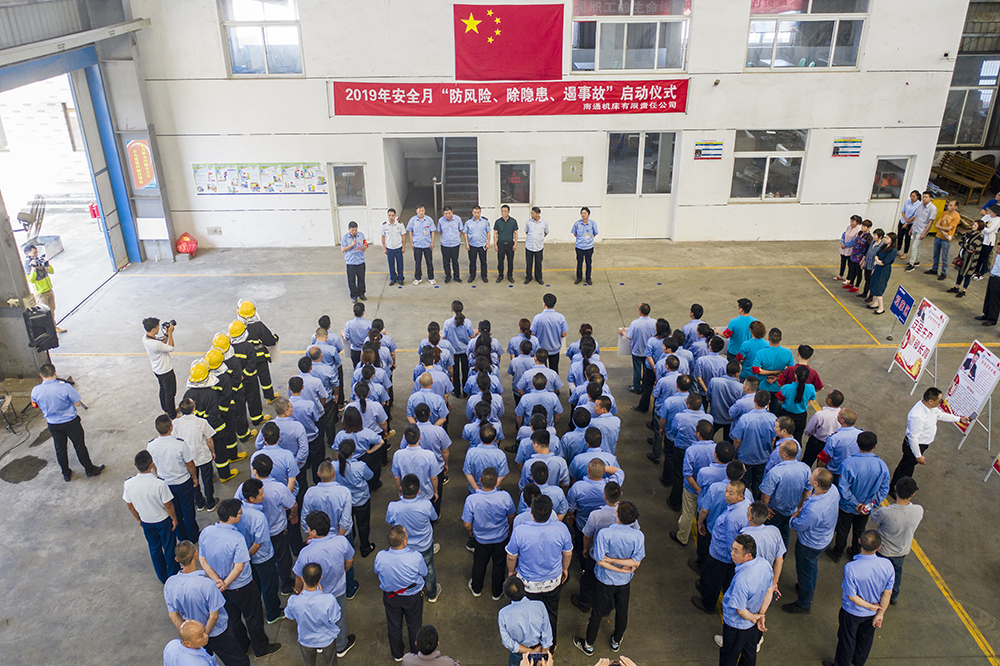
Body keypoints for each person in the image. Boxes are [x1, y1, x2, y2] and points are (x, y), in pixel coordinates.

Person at [198, 499, 281, 659]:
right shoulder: (236, 538)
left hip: (220, 588)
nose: (241, 515)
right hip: (242, 586)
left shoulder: (206, 532)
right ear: (231, 517)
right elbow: (238, 567)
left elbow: (203, 560)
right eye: (239, 513)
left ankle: (243, 644)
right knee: (253, 617)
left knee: (233, 618)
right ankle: (261, 647)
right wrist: (226, 583)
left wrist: (218, 581)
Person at [573, 500, 644, 656]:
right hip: (624, 581)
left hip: (604, 579)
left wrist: (611, 561)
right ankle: (616, 642)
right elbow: (636, 562)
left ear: (617, 515)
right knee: (622, 611)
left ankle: (589, 645)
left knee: (596, 613)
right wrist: (623, 569)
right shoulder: (638, 536)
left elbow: (600, 560)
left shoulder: (605, 534)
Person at [164, 541, 250, 666]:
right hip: (217, 631)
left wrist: (191, 635)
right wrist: (204, 634)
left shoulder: (170, 584)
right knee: (237, 660)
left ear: (177, 559)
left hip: (193, 636)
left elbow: (173, 614)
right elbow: (214, 616)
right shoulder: (207, 585)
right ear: (196, 554)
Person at [506, 494, 573, 646]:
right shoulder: (561, 529)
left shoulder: (520, 531)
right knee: (551, 613)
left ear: (531, 511)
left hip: (528, 584)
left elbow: (511, 556)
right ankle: (550, 645)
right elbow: (568, 553)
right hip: (553, 582)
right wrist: (565, 569)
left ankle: (532, 645)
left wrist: (511, 572)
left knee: (529, 614)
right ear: (551, 512)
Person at [821, 531, 894, 666]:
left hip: (852, 612)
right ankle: (858, 662)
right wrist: (880, 613)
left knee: (847, 640)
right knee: (865, 640)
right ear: (879, 547)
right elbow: (887, 593)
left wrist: (869, 606)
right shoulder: (887, 565)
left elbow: (852, 596)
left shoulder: (851, 567)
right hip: (872, 614)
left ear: (859, 541)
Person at [292, 511, 356, 658]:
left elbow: (299, 576)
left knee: (317, 618)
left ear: (314, 532)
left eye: (309, 528)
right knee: (338, 618)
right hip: (338, 589)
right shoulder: (341, 542)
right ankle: (341, 645)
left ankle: (320, 644)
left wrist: (297, 591)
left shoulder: (306, 552)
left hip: (316, 594)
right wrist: (342, 571)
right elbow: (349, 560)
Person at [781, 468, 840, 615]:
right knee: (811, 566)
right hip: (823, 539)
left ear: (816, 483)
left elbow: (801, 525)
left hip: (810, 544)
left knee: (804, 572)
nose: (810, 474)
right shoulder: (832, 490)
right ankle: (808, 588)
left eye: (812, 474)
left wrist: (792, 519)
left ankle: (804, 603)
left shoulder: (815, 510)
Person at [31, 363, 104, 482]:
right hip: (71, 422)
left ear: (41, 375)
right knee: (79, 446)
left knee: (60, 449)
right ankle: (90, 469)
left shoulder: (36, 390)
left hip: (53, 424)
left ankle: (66, 473)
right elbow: (77, 403)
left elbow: (35, 405)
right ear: (55, 372)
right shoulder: (65, 387)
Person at [827, 432, 890, 563]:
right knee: (859, 529)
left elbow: (843, 487)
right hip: (865, 509)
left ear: (857, 443)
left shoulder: (848, 464)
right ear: (875, 446)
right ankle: (855, 551)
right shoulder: (881, 466)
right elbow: (884, 489)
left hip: (846, 506)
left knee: (842, 529)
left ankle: (838, 552)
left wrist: (855, 503)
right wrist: (869, 504)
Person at [891, 387, 968, 493]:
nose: (941, 403)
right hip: (914, 446)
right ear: (931, 401)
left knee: (909, 467)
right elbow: (913, 438)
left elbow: (941, 415)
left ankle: (906, 484)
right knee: (904, 467)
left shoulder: (931, 408)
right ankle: (894, 488)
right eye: (939, 401)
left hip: (922, 444)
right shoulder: (918, 416)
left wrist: (959, 419)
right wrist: (918, 455)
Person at [692, 479, 752, 614]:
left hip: (722, 555)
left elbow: (732, 543)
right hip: (721, 552)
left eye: (731, 493)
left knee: (715, 580)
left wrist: (730, 557)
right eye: (726, 491)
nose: (726, 495)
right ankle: (704, 588)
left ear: (740, 495)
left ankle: (708, 604)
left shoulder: (733, 518)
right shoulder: (745, 504)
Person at [715, 534, 774, 666]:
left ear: (748, 556)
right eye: (732, 548)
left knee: (729, 655)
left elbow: (740, 611)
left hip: (736, 625)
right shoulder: (764, 564)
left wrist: (753, 618)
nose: (731, 553)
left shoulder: (742, 579)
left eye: (736, 551)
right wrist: (760, 615)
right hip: (752, 624)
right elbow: (769, 590)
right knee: (749, 655)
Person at [123, 450, 179, 582]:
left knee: (154, 548)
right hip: (163, 520)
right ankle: (173, 574)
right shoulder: (159, 484)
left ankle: (162, 576)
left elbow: (130, 505)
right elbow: (168, 505)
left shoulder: (129, 483)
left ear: (135, 465)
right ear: (152, 464)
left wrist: (138, 519)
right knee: (169, 546)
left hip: (146, 520)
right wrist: (174, 519)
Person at [374, 525, 428, 661]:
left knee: (394, 626)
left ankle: (397, 654)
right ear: (404, 542)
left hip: (391, 597)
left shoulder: (380, 556)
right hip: (412, 597)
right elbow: (424, 572)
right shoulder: (415, 557)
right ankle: (415, 652)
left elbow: (376, 571)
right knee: (414, 625)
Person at [462, 467, 517, 599]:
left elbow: (467, 523)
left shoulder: (472, 500)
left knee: (479, 563)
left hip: (481, 539)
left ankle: (476, 588)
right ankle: (497, 592)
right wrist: (510, 528)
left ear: (480, 480)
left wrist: (471, 531)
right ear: (496, 482)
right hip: (501, 538)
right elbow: (511, 516)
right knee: (499, 564)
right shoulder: (505, 497)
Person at [386, 474, 440, 602]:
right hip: (424, 544)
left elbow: (388, 520)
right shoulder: (426, 505)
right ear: (419, 491)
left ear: (401, 488)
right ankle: (432, 594)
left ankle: (411, 590)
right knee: (429, 570)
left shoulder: (393, 507)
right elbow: (434, 517)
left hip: (404, 547)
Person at [148, 414, 201, 544]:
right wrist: (194, 477)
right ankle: (193, 536)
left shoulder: (151, 446)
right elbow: (189, 463)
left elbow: (153, 463)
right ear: (171, 427)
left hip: (165, 483)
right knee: (188, 510)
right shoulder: (180, 444)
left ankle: (181, 536)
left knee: (175, 510)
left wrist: (158, 474)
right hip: (183, 482)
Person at [871, 476, 922, 605]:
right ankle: (894, 595)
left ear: (895, 488)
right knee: (896, 572)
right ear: (912, 495)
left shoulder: (885, 512)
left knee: (880, 573)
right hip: (902, 550)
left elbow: (874, 519)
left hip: (884, 550)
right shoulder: (918, 510)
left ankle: (877, 594)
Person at [284, 562, 342, 666]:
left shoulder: (294, 601)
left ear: (302, 579)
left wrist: (300, 594)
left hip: (306, 639)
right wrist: (323, 593)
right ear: (320, 578)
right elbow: (335, 618)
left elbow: (289, 615)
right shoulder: (329, 600)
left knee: (308, 663)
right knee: (331, 663)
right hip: (326, 638)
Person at [760, 437, 811, 546]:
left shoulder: (776, 472)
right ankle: (782, 554)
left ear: (784, 454)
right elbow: (808, 490)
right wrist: (802, 507)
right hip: (792, 509)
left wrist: (765, 508)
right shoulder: (805, 469)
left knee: (769, 534)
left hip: (774, 511)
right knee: (785, 534)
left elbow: (766, 494)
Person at [173, 398, 219, 512]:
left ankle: (199, 503)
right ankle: (210, 503)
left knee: (193, 480)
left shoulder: (175, 423)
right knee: (207, 480)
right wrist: (212, 451)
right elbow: (209, 439)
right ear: (194, 409)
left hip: (187, 458)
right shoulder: (201, 422)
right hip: (202, 456)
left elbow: (174, 440)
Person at [497, 575, 553, 666]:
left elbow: (507, 641)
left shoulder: (503, 614)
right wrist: (542, 656)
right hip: (538, 649)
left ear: (506, 595)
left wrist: (529, 651)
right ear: (524, 586)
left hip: (519, 652)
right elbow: (547, 635)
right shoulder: (539, 606)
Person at [731, 391, 777, 498]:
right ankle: (756, 500)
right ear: (769, 402)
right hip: (762, 457)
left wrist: (734, 453)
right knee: (758, 481)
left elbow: (737, 439)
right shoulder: (773, 419)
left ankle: (745, 500)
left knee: (744, 482)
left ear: (754, 400)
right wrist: (769, 451)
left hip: (745, 457)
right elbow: (773, 439)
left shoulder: (745, 418)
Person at [237, 299, 279, 404]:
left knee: (250, 381)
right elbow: (269, 341)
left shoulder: (237, 327)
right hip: (260, 358)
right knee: (264, 377)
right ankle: (269, 397)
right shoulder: (259, 326)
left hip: (245, 359)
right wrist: (275, 338)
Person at [23, 244, 66, 333]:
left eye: (36, 252)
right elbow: (31, 280)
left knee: (52, 310)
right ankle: (48, 332)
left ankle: (54, 328)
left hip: (48, 289)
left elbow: (52, 271)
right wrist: (34, 268)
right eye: (34, 252)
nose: (36, 254)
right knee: (44, 314)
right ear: (27, 253)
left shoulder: (40, 260)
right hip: (40, 293)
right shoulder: (28, 265)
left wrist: (46, 267)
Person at [143, 316, 177, 418]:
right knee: (170, 393)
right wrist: (170, 333)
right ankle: (172, 415)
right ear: (153, 329)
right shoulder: (155, 344)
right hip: (165, 370)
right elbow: (170, 348)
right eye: (158, 327)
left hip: (157, 369)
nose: (159, 328)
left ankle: (166, 409)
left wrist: (166, 333)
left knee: (163, 390)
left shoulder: (146, 338)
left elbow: (162, 343)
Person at [619, 303, 656, 395]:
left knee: (637, 370)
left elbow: (629, 336)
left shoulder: (635, 323)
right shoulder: (654, 322)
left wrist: (623, 333)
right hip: (649, 352)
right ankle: (645, 386)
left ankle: (637, 387)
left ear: (640, 312)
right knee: (647, 369)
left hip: (637, 351)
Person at [802, 390, 844, 467]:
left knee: (807, 461)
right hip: (830, 445)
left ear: (829, 401)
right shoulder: (842, 416)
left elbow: (809, 430)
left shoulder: (820, 415)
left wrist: (809, 435)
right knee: (823, 466)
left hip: (816, 442)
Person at [776, 365, 815, 443]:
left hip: (786, 415)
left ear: (795, 375)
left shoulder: (787, 387)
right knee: (797, 438)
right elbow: (811, 398)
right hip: (800, 417)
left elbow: (780, 399)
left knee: (781, 437)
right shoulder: (811, 388)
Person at [531, 293, 568, 374]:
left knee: (541, 371)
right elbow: (563, 334)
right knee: (554, 370)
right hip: (555, 349)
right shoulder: (560, 317)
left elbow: (532, 334)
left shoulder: (537, 318)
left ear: (544, 304)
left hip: (541, 349)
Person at [444, 301, 475, 397]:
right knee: (466, 371)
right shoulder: (467, 322)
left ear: (452, 309)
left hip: (453, 351)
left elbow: (444, 336)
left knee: (455, 372)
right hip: (465, 351)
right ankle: (466, 391)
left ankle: (456, 391)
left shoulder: (448, 323)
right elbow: (471, 335)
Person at [924, 198, 959, 280]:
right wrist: (943, 231)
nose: (949, 207)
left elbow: (949, 228)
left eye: (951, 205)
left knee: (944, 256)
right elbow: (937, 224)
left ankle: (944, 272)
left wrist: (941, 229)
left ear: (955, 207)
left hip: (946, 239)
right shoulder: (945, 213)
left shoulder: (956, 217)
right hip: (938, 236)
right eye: (949, 205)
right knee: (936, 254)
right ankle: (934, 269)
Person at [904, 190, 936, 271]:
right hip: (916, 228)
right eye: (923, 197)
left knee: (914, 246)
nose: (924, 199)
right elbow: (916, 217)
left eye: (926, 197)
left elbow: (930, 222)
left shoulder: (932, 208)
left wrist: (924, 233)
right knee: (916, 246)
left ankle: (911, 264)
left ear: (930, 198)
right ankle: (916, 261)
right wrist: (911, 228)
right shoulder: (921, 205)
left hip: (922, 230)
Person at [950, 219, 983, 298]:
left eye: (975, 225)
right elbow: (961, 241)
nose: (973, 226)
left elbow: (972, 247)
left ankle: (963, 290)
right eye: (973, 224)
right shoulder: (969, 233)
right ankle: (956, 287)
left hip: (970, 260)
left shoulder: (980, 237)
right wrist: (966, 246)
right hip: (963, 257)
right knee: (960, 273)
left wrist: (966, 245)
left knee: (967, 275)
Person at [717, 298, 757, 362]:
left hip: (734, 352)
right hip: (748, 352)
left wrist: (717, 331)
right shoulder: (755, 321)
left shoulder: (733, 321)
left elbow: (726, 335)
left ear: (741, 310)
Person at [868, 232, 898, 314]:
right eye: (886, 237)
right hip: (878, 268)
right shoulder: (884, 246)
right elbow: (877, 254)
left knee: (879, 287)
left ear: (892, 240)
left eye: (888, 238)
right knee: (874, 284)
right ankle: (876, 303)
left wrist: (877, 261)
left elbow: (884, 262)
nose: (885, 239)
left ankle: (881, 308)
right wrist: (877, 260)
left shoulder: (893, 251)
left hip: (884, 270)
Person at [408, 204, 437, 285]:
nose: (421, 212)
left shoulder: (429, 219)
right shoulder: (413, 220)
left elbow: (432, 231)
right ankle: (418, 278)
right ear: (416, 211)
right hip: (417, 245)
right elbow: (410, 231)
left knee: (429, 262)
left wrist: (432, 242)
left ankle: (431, 277)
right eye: (420, 210)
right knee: (418, 262)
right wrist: (411, 243)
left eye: (423, 210)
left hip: (427, 244)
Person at [341, 220, 368, 302]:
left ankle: (361, 294)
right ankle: (354, 295)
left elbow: (365, 244)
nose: (354, 232)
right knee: (352, 280)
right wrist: (352, 245)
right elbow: (343, 249)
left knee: (361, 279)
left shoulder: (361, 235)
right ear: (349, 229)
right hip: (351, 262)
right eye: (352, 230)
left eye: (355, 230)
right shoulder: (345, 238)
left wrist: (364, 247)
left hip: (360, 261)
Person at [571, 206, 599, 285]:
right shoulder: (577, 223)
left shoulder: (592, 223)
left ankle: (588, 278)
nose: (583, 215)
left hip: (589, 247)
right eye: (582, 213)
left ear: (588, 214)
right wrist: (581, 239)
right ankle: (579, 278)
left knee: (588, 263)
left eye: (585, 213)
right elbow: (575, 234)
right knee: (579, 263)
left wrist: (588, 240)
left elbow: (595, 233)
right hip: (579, 247)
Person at [464, 205, 491, 283]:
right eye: (475, 212)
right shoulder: (468, 222)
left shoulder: (485, 221)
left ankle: (484, 276)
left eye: (478, 212)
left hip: (482, 245)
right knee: (472, 262)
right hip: (472, 245)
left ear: (480, 212)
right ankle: (472, 276)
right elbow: (465, 233)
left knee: (483, 262)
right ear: (472, 212)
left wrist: (488, 243)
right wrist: (467, 244)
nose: (476, 214)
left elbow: (488, 232)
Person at [843, 219, 872, 293]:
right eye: (862, 226)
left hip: (860, 256)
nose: (862, 227)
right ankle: (851, 283)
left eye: (864, 226)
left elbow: (867, 249)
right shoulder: (860, 233)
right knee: (852, 270)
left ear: (869, 227)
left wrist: (864, 259)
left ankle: (856, 286)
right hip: (854, 255)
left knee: (858, 272)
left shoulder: (869, 237)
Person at [856, 227, 884, 303]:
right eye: (873, 235)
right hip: (868, 264)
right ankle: (864, 293)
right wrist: (864, 262)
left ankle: (870, 296)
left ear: (880, 237)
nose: (874, 236)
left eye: (875, 235)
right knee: (867, 280)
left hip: (873, 266)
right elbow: (868, 252)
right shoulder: (872, 242)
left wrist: (875, 268)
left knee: (872, 282)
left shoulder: (882, 246)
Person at [437, 206, 464, 283]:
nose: (448, 215)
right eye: (446, 214)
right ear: (443, 213)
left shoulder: (458, 219)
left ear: (452, 212)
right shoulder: (440, 220)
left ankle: (456, 277)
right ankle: (448, 276)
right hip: (445, 244)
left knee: (455, 261)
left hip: (455, 244)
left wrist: (456, 238)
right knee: (446, 262)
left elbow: (460, 230)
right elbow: (440, 231)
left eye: (449, 213)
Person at [494, 204, 519, 283]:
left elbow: (515, 233)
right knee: (500, 261)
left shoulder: (513, 221)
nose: (503, 213)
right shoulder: (498, 222)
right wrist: (495, 244)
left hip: (510, 244)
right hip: (501, 244)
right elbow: (495, 233)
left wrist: (515, 244)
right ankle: (500, 275)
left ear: (508, 212)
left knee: (510, 261)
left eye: (505, 211)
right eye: (502, 211)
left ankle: (510, 276)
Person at [382, 207, 407, 286]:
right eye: (389, 215)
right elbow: (383, 237)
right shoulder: (384, 225)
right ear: (387, 215)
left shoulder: (400, 225)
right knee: (391, 265)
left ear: (395, 215)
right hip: (389, 248)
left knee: (400, 265)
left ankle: (400, 279)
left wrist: (403, 247)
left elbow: (403, 236)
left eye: (392, 215)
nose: (391, 217)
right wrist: (384, 248)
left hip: (398, 248)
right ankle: (393, 278)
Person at [974, 204, 1000, 279]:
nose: (990, 212)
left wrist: (982, 227)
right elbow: (979, 222)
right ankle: (976, 270)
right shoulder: (987, 216)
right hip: (981, 239)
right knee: (978, 256)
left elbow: (989, 230)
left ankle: (981, 273)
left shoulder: (997, 220)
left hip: (988, 241)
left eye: (991, 211)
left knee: (984, 258)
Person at [523, 206, 548, 284]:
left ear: (538, 214)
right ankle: (528, 277)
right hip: (529, 246)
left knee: (538, 263)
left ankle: (538, 277)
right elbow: (526, 231)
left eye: (533, 213)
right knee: (529, 263)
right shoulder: (528, 222)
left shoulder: (544, 222)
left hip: (538, 246)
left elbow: (546, 232)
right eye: (531, 213)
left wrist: (539, 238)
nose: (531, 215)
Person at [342, 302, 372, 368]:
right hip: (366, 350)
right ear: (363, 312)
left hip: (354, 350)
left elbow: (346, 338)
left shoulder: (348, 324)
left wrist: (343, 334)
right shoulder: (369, 324)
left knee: (356, 366)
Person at [835, 216, 861, 281]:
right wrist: (842, 242)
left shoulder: (858, 230)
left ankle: (848, 278)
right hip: (844, 249)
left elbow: (854, 241)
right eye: (851, 221)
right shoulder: (848, 227)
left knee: (850, 265)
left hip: (850, 250)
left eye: (853, 221)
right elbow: (844, 235)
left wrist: (845, 245)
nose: (851, 223)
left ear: (857, 222)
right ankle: (841, 275)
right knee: (843, 263)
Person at [897, 190, 920, 260]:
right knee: (899, 236)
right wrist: (905, 219)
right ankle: (898, 249)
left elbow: (915, 215)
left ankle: (905, 253)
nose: (912, 198)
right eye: (911, 196)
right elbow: (903, 211)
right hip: (903, 221)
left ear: (917, 197)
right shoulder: (907, 202)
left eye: (913, 196)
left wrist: (907, 222)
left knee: (907, 238)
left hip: (910, 223)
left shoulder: (919, 205)